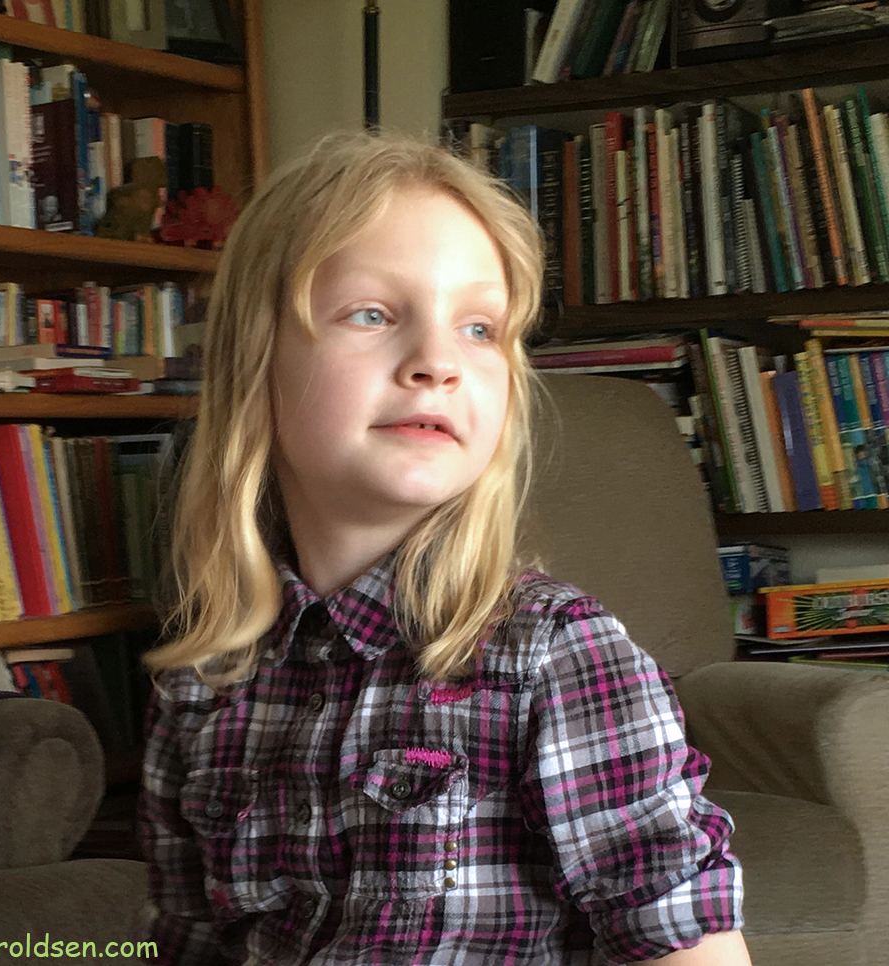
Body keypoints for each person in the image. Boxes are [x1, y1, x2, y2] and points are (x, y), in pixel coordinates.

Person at [136, 130, 752, 966]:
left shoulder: (555, 654)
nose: (436, 362)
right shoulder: (198, 686)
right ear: (257, 360)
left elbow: (683, 939)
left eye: (479, 328)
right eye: (372, 313)